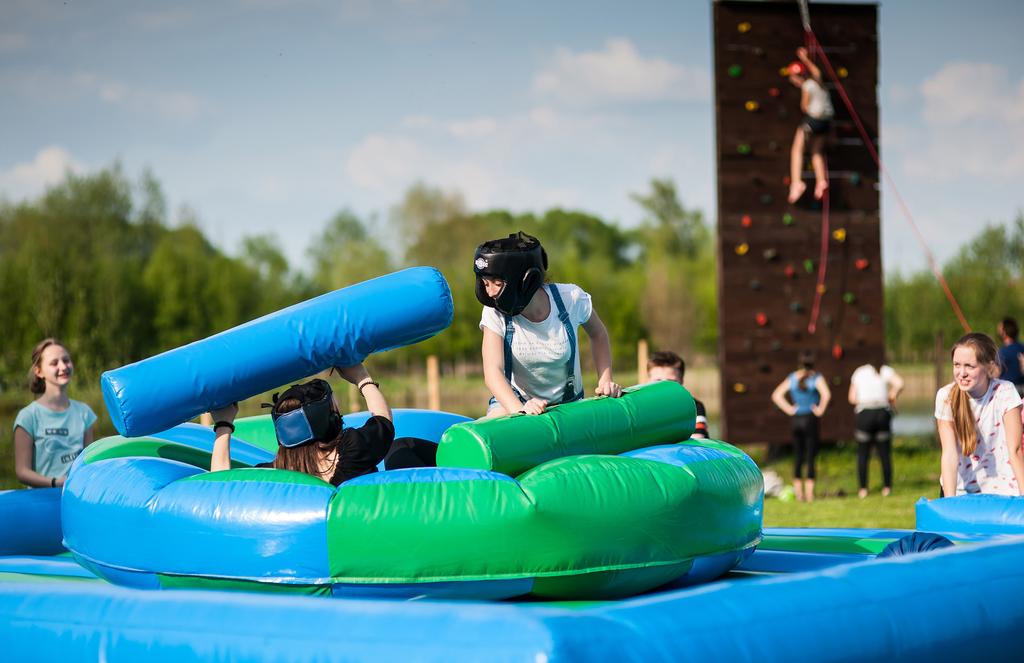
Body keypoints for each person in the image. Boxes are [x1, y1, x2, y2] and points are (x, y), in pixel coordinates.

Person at [474, 231, 622, 417]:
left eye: (496, 283)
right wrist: (519, 409)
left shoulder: (571, 299)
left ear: (525, 279)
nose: (490, 293)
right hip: (514, 403)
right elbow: (492, 371)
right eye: (485, 284)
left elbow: (598, 334)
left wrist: (605, 380)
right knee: (495, 423)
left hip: (568, 406)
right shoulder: (493, 312)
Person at [210, 363, 436, 484]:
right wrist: (361, 377)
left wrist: (223, 423)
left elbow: (220, 486)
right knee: (402, 448)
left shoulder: (275, 476)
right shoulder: (352, 452)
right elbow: (383, 420)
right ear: (327, 420)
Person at [935, 333, 1024, 497]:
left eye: (970, 366)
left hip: (1002, 491)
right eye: (956, 365)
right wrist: (949, 502)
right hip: (961, 491)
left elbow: (1016, 450)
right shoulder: (945, 396)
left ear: (989, 367)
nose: (962, 373)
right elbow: (949, 454)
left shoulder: (1005, 392)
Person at [13, 339, 97, 488]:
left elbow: (88, 462)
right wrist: (55, 483)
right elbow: (22, 471)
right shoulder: (28, 416)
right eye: (54, 363)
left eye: (66, 360)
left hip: (75, 498)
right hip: (43, 501)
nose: (63, 366)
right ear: (38, 371)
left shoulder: (85, 413)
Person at [770, 351, 831, 502]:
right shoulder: (816, 378)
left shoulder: (792, 377)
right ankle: (809, 495)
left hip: (796, 419)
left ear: (800, 363)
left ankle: (799, 495)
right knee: (810, 456)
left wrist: (789, 409)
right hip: (810, 418)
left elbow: (776, 395)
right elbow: (827, 394)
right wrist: (820, 409)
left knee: (798, 456)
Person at [849, 359, 904, 498]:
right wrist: (892, 394)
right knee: (884, 453)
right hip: (882, 414)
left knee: (863, 454)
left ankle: (863, 489)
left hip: (864, 414)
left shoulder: (859, 372)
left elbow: (852, 398)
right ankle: (886, 488)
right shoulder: (885, 370)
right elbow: (900, 383)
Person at [786, 46, 835, 204]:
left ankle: (796, 183)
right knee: (816, 151)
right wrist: (805, 59)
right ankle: (821, 182)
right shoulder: (818, 82)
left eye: (792, 77)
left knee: (797, 149)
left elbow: (804, 107)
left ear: (797, 76)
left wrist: (804, 101)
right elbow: (817, 72)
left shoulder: (807, 86)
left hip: (815, 119)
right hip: (827, 121)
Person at [645, 350, 709, 439]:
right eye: (658, 381)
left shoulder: (693, 406)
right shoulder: (642, 408)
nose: (664, 388)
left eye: (671, 382)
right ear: (648, 381)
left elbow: (697, 439)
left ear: (681, 381)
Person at [996, 317, 1024, 397]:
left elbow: (997, 372)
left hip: (1009, 391)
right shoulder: (1022, 347)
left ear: (1004, 332)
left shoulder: (1003, 352)